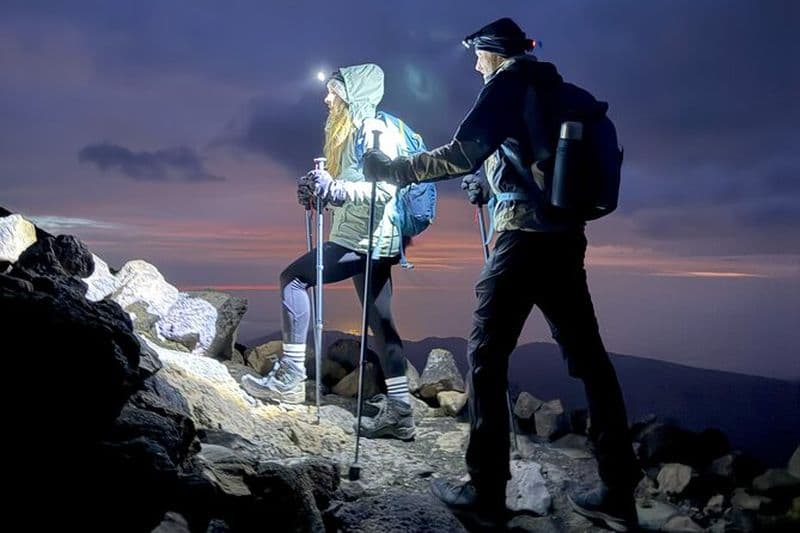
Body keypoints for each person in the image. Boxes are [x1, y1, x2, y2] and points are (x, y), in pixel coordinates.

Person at [364, 18, 641, 530]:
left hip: (520, 243)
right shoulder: (562, 92)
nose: (474, 65)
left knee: (487, 358)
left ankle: (485, 492)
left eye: (477, 56)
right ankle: (618, 490)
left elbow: (462, 152)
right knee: (591, 362)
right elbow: (530, 160)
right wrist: (490, 189)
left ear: (493, 53)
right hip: (565, 240)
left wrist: (393, 170)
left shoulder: (506, 86)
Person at [241, 64, 416, 441]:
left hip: (363, 240)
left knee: (293, 279)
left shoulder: (372, 132)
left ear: (351, 95)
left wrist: (335, 190)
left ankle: (290, 378)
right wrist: (323, 192)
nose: (326, 99)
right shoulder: (356, 132)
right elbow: (355, 188)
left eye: (333, 92)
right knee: (381, 321)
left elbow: (383, 191)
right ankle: (402, 415)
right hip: (369, 238)